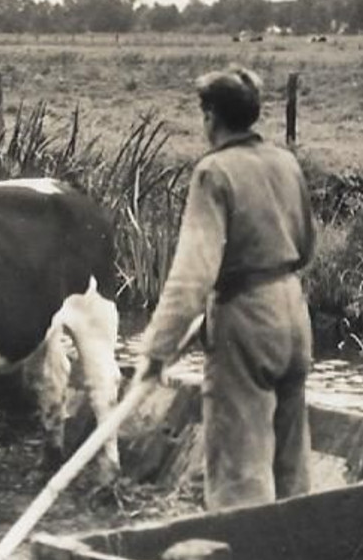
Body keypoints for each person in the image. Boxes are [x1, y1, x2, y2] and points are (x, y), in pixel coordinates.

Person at [135, 67, 316, 509]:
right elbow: (308, 243)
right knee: (290, 449)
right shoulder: (286, 162)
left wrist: (156, 350)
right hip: (294, 309)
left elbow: (191, 276)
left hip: (247, 317)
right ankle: (302, 543)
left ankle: (243, 549)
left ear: (211, 116)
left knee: (239, 456)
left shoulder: (213, 172)